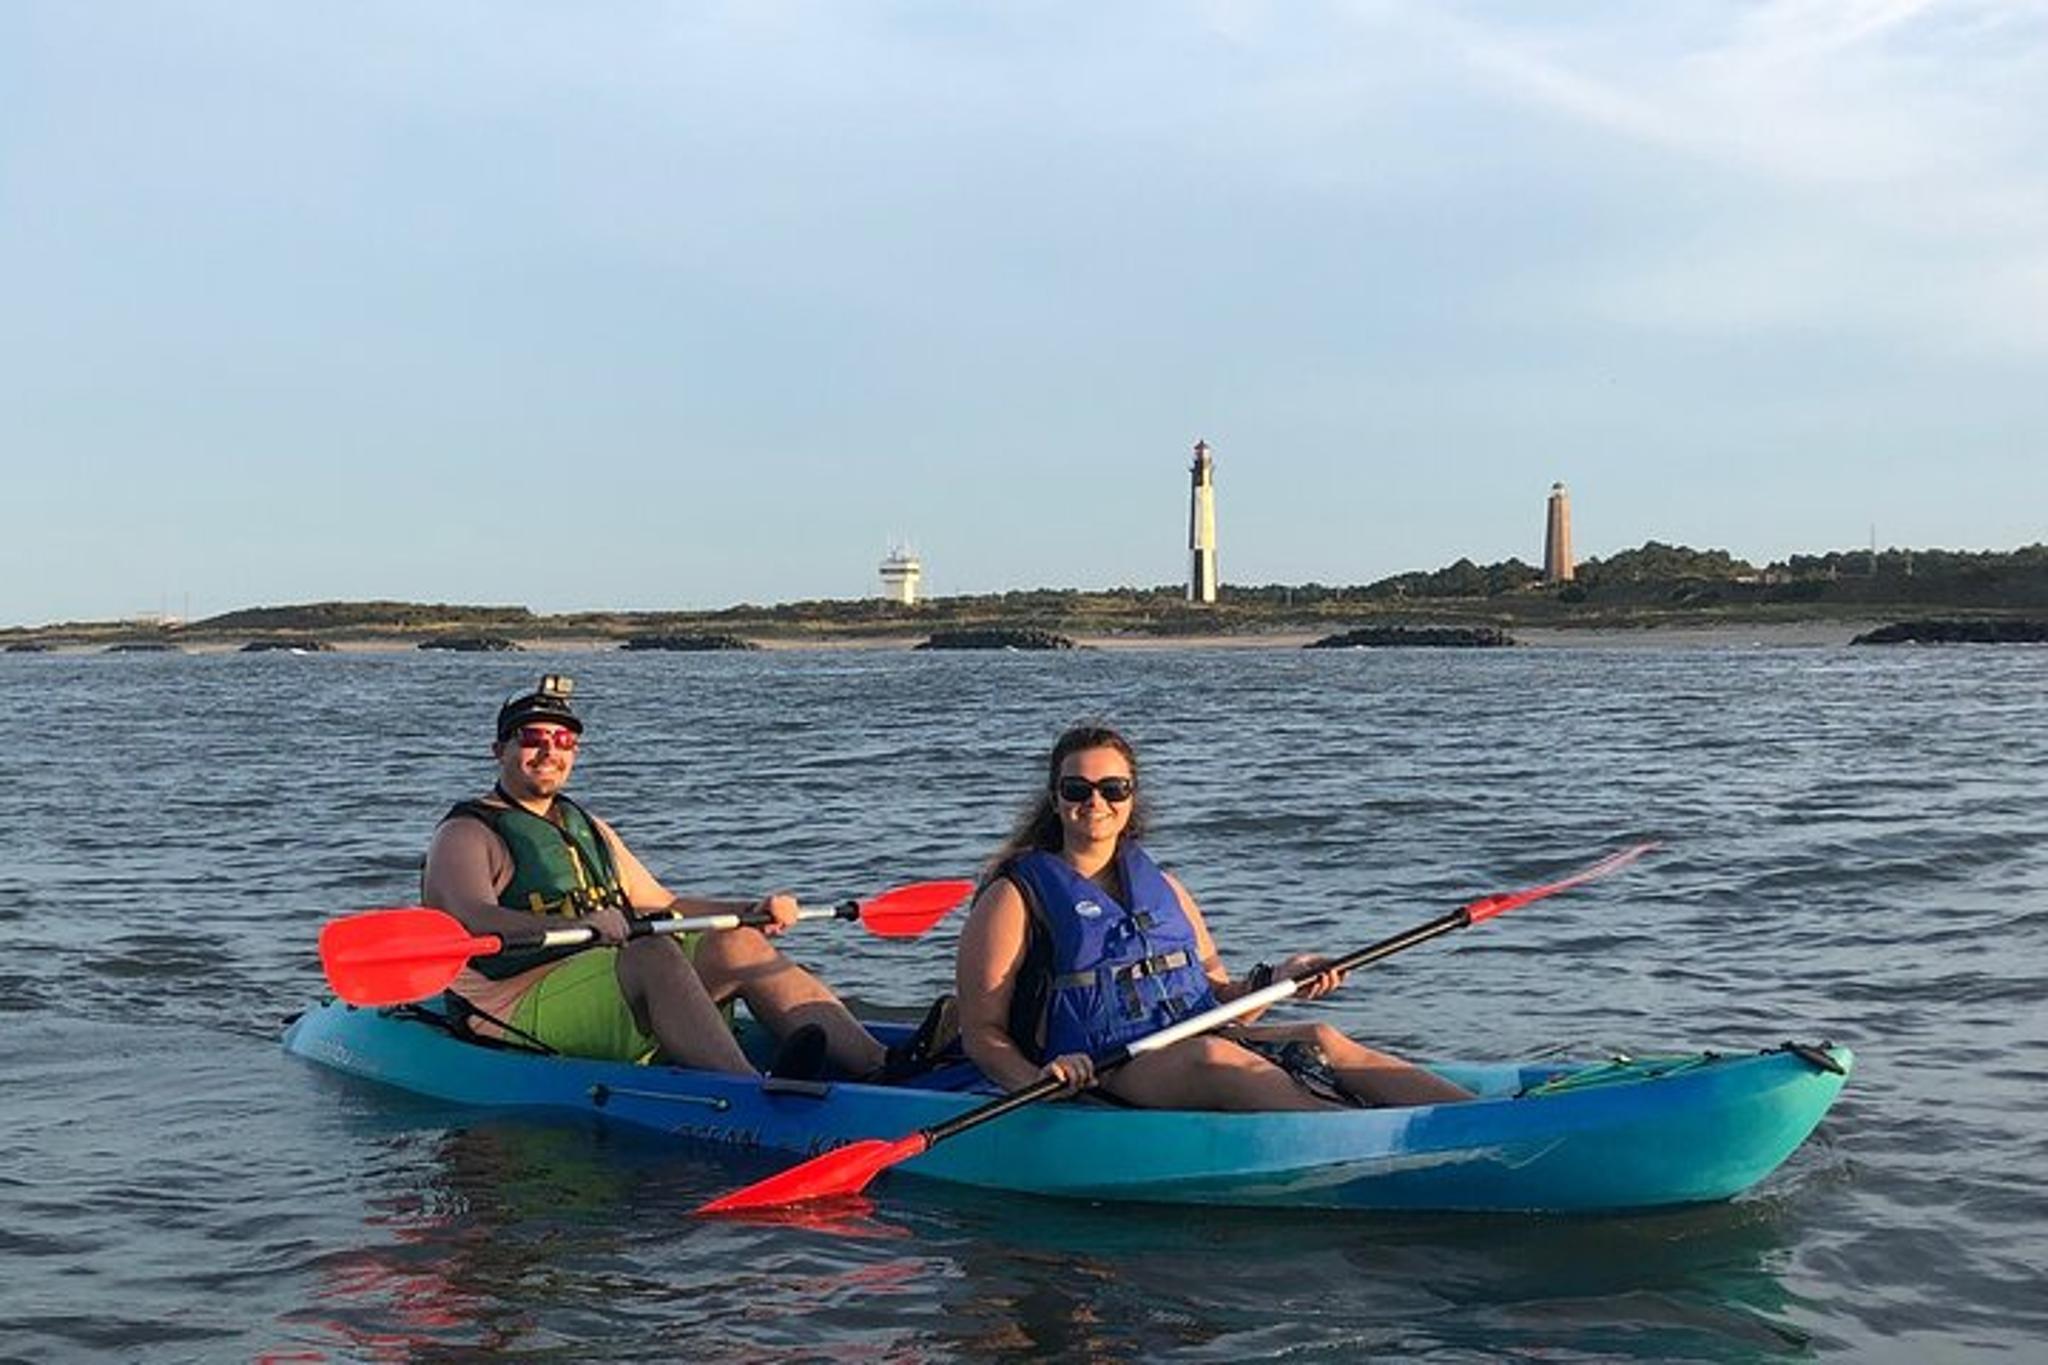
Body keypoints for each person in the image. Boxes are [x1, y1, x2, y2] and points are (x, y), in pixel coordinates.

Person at [422, 674, 952, 1080]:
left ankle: (881, 1064)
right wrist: (588, 921)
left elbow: (660, 904)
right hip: (516, 1004)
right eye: (533, 738)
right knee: (653, 952)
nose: (550, 752)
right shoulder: (468, 833)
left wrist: (751, 909)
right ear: (501, 750)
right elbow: (471, 918)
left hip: (604, 984)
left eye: (564, 741)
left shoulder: (587, 827)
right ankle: (747, 1090)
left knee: (736, 943)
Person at [955, 724, 1473, 1111]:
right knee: (1217, 1060)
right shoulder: (1015, 895)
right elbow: (982, 1034)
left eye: (1113, 788)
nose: (1097, 802)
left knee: (1320, 1037)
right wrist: (1038, 1086)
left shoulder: (1165, 888)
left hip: (1194, 1041)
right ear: (1056, 799)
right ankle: (1364, 1138)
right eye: (1078, 789)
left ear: (1131, 797)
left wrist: (1281, 980)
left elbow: (1219, 1000)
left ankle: (1483, 1115)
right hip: (1105, 1069)